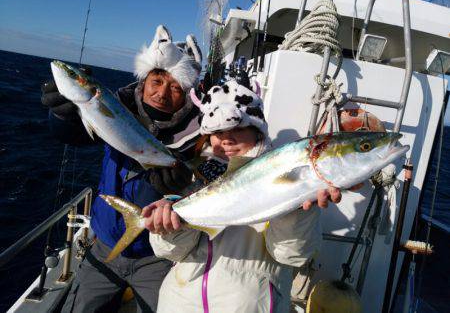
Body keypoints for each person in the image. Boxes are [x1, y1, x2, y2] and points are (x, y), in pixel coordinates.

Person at [41, 25, 203, 313]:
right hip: (103, 244)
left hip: (160, 255)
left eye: (175, 87)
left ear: (187, 94)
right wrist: (62, 114)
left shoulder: (198, 133)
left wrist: (181, 185)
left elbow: (202, 189)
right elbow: (73, 134)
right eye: (157, 81)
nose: (162, 93)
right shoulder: (117, 104)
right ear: (144, 79)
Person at [143, 80, 342, 313]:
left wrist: (295, 211)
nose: (226, 139)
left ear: (257, 131)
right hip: (178, 305)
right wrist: (168, 227)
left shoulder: (284, 179)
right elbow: (171, 252)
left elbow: (292, 256)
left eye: (237, 129)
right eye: (217, 132)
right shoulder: (196, 178)